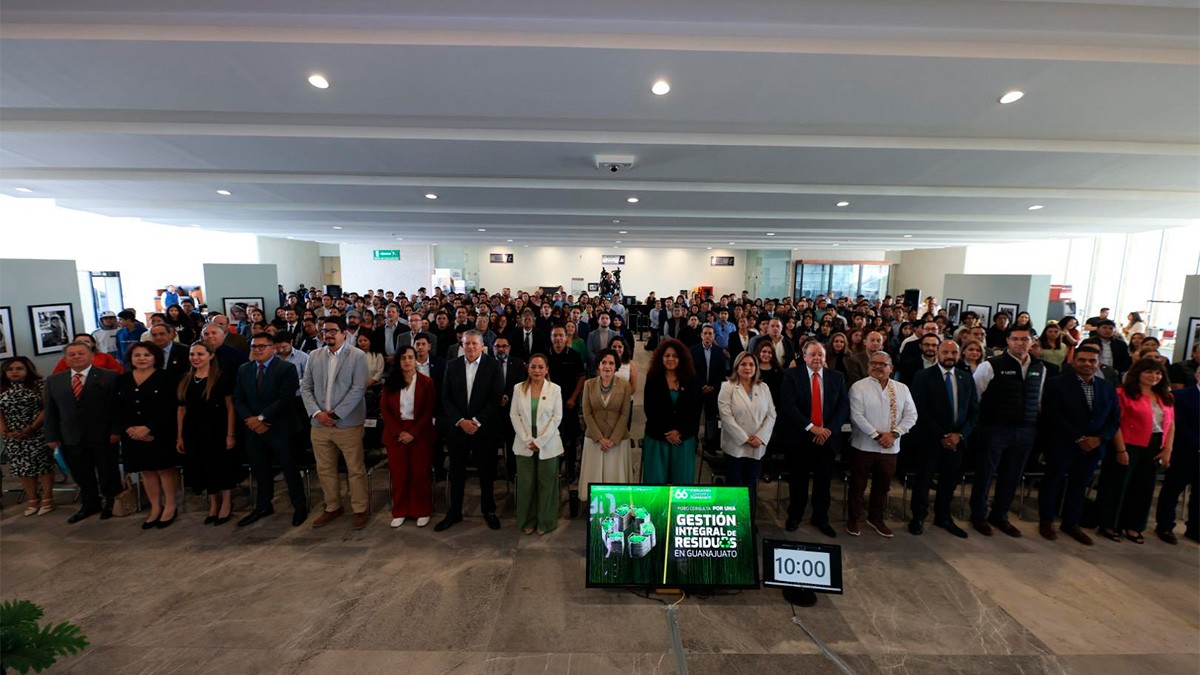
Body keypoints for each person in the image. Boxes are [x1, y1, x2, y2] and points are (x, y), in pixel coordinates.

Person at [1036, 344, 1119, 546]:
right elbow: (1052, 415)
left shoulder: (1106, 386)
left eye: (1092, 361)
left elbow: (1114, 418)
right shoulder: (1057, 384)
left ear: (1098, 363)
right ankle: (1046, 521)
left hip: (1093, 447)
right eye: (1082, 360)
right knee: (1053, 483)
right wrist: (1079, 438)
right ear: (1073, 361)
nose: (1087, 364)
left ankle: (1071, 523)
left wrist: (1099, 439)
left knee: (1079, 485)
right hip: (1063, 443)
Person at [970, 325, 1045, 537]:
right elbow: (975, 397)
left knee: (1012, 476)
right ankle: (979, 515)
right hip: (995, 428)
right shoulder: (990, 365)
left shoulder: (1040, 368)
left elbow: (1037, 399)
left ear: (1032, 342)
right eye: (1015, 339)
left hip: (1024, 431)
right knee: (985, 474)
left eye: (1025, 339)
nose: (1020, 343)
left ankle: (1000, 515)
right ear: (1008, 341)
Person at [300, 316, 372, 531]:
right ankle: (333, 506)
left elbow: (358, 389)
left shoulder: (357, 356)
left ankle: (360, 509)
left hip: (347, 423)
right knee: (325, 469)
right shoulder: (314, 355)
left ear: (344, 333)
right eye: (324, 330)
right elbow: (306, 388)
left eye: (332, 330)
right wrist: (316, 413)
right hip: (320, 425)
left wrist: (337, 414)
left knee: (355, 469)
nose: (328, 334)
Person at [1095, 358, 1175, 544]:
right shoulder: (1122, 393)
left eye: (1157, 373)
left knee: (1144, 487)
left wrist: (1167, 449)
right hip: (1128, 443)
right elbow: (1116, 423)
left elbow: (1171, 424)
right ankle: (1109, 524)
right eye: (1149, 372)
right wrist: (1121, 449)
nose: (1153, 376)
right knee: (1118, 485)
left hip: (1155, 444)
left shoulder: (1166, 396)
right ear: (1138, 373)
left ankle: (1134, 525)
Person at [234, 333, 308, 528]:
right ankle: (263, 506)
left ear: (273, 348)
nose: (257, 350)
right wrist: (250, 420)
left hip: (280, 428)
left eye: (261, 346)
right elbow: (238, 399)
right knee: (260, 470)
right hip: (253, 429)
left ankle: (300, 507)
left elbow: (285, 398)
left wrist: (261, 418)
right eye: (254, 346)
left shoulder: (286, 368)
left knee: (290, 470)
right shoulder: (244, 369)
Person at [43, 342, 122, 523]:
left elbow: (117, 408)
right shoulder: (54, 380)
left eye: (81, 353)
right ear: (65, 359)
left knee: (107, 470)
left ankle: (111, 501)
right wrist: (52, 436)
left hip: (103, 435)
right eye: (72, 354)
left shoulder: (109, 377)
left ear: (91, 356)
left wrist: (116, 430)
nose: (76, 357)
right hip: (71, 435)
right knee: (81, 472)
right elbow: (51, 411)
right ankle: (90, 503)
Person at [909, 340, 979, 538]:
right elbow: (919, 409)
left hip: (957, 441)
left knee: (949, 481)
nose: (950, 356)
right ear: (938, 353)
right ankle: (918, 516)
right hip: (931, 439)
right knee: (923, 480)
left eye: (954, 352)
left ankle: (943, 516)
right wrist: (942, 435)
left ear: (959, 354)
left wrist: (960, 435)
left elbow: (973, 411)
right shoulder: (923, 376)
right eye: (946, 352)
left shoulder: (966, 378)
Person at [780, 340, 849, 538]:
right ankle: (795, 515)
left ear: (825, 357)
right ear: (805, 356)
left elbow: (842, 407)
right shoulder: (792, 375)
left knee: (823, 482)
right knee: (798, 480)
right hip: (800, 437)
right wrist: (812, 428)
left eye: (820, 354)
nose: (817, 358)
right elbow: (789, 405)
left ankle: (821, 517)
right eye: (813, 354)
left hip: (827, 439)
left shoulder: (837, 377)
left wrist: (827, 430)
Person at [437, 330, 505, 532]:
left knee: (486, 472)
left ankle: (488, 509)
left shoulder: (493, 366)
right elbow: (446, 397)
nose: (471, 347)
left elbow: (495, 398)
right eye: (467, 343)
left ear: (482, 345)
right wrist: (461, 421)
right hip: (458, 429)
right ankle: (455, 512)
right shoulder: (452, 365)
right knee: (457, 473)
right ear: (462, 345)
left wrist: (475, 421)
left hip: (483, 430)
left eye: (475, 343)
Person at [846, 351, 917, 537]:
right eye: (873, 363)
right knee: (858, 484)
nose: (877, 367)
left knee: (882, 485)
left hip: (891, 447)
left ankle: (875, 517)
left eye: (882, 364)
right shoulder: (858, 387)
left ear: (891, 368)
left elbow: (912, 415)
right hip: (863, 446)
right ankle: (854, 518)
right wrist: (877, 435)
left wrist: (894, 434)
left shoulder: (902, 388)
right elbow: (857, 416)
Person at [115, 342, 180, 529]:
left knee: (164, 469)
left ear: (155, 358)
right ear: (131, 358)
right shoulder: (122, 379)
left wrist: (148, 429)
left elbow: (170, 408)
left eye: (147, 355)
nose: (142, 358)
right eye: (137, 355)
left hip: (160, 433)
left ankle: (170, 506)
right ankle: (155, 507)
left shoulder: (167, 377)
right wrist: (129, 429)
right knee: (146, 471)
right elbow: (115, 407)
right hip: (132, 435)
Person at [176, 342, 238, 525]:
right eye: (192, 354)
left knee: (221, 466)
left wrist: (230, 434)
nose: (195, 358)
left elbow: (230, 407)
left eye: (200, 354)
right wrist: (179, 436)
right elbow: (181, 410)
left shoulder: (221, 377)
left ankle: (226, 502)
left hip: (217, 429)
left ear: (211, 356)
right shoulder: (186, 379)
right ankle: (213, 503)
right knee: (203, 467)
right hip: (193, 430)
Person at [717, 351, 776, 522]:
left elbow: (771, 414)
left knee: (751, 484)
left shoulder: (763, 387)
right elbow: (726, 416)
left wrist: (760, 437)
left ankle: (748, 521)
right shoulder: (727, 387)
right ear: (736, 366)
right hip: (736, 446)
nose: (747, 368)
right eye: (743, 364)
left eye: (751, 364)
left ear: (756, 367)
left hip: (758, 445)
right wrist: (745, 439)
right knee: (734, 485)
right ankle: (731, 521)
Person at [381, 345, 435, 528]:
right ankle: (401, 510)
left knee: (420, 473)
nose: (407, 361)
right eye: (403, 357)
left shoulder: (426, 382)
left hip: (419, 432)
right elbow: (385, 410)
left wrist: (413, 432)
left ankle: (422, 510)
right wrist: (399, 431)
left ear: (415, 359)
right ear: (399, 360)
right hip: (396, 433)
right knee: (400, 474)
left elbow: (428, 411)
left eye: (410, 357)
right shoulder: (390, 382)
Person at [510, 354, 564, 535]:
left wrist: (540, 441)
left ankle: (545, 522)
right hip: (524, 442)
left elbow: (557, 418)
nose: (537, 370)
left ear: (547, 369)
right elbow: (514, 415)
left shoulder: (555, 389)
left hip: (548, 443)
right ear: (528, 369)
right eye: (533, 367)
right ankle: (528, 520)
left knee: (547, 485)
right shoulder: (518, 389)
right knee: (526, 485)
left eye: (541, 367)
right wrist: (527, 440)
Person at [641, 339, 702, 485]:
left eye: (675, 356)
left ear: (681, 358)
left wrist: (679, 432)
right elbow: (649, 409)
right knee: (655, 482)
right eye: (666, 355)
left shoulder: (691, 378)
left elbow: (695, 409)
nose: (670, 359)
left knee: (682, 483)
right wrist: (667, 431)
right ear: (660, 357)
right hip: (657, 438)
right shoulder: (653, 378)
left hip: (683, 439)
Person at [0, 357, 56, 516]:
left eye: (19, 368)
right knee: (22, 468)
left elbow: (46, 409)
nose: (14, 372)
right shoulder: (2, 388)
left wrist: (31, 428)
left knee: (42, 465)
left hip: (37, 432)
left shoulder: (40, 386)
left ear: (28, 369)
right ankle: (32, 498)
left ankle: (47, 497)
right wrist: (6, 432)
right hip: (13, 436)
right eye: (10, 369)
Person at [580, 349, 633, 504]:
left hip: (617, 440)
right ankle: (596, 508)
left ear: (616, 365)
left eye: (611, 363)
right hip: (595, 440)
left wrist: (612, 439)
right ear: (598, 364)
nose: (607, 366)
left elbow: (625, 414)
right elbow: (586, 412)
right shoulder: (588, 384)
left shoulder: (624, 385)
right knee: (594, 475)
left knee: (615, 476)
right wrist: (600, 438)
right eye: (604, 362)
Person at [546, 325, 587, 515]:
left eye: (561, 336)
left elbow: (581, 378)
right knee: (551, 439)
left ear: (566, 337)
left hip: (569, 405)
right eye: (555, 336)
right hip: (549, 407)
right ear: (551, 337)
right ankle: (553, 472)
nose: (558, 339)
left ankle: (570, 473)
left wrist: (573, 398)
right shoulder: (545, 355)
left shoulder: (574, 355)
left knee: (570, 441)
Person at [1156, 367, 1198, 544]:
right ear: (1197, 375)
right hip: (1184, 451)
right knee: (1173, 490)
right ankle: (1165, 526)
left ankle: (1195, 529)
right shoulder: (1181, 396)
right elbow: (1178, 425)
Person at [690, 324, 728, 453]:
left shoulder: (719, 352)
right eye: (705, 333)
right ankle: (693, 441)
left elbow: (721, 372)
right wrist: (702, 385)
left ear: (713, 336)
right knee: (695, 415)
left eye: (710, 333)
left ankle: (709, 442)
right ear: (701, 335)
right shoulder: (693, 350)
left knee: (711, 417)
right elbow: (692, 371)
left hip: (713, 390)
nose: (707, 336)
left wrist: (713, 386)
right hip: (697, 389)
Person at [51, 334, 125, 375]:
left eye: (86, 341)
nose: (82, 343)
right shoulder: (67, 359)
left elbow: (119, 372)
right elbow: (56, 376)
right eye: (79, 341)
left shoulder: (104, 357)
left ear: (93, 344)